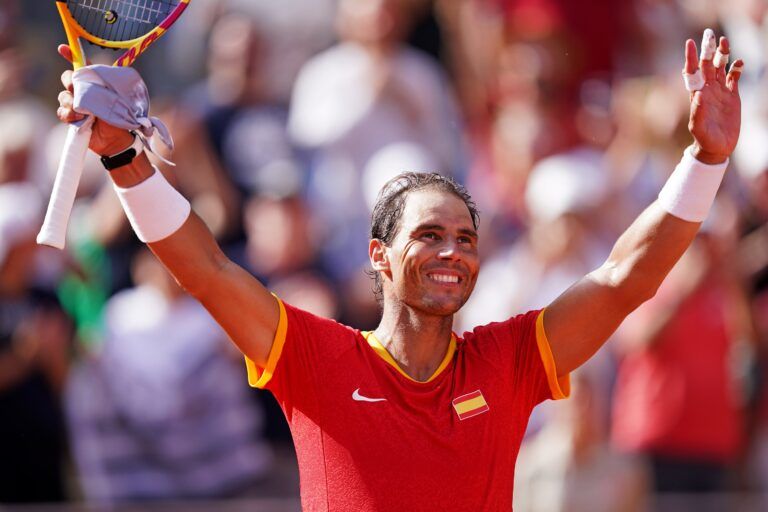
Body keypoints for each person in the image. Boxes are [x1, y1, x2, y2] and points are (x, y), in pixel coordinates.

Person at [53, 30, 742, 510]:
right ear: (378, 254)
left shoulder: (509, 363)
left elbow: (626, 278)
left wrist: (705, 160)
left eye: (467, 239)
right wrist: (122, 159)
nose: (453, 253)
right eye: (431, 235)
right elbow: (204, 267)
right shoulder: (315, 359)